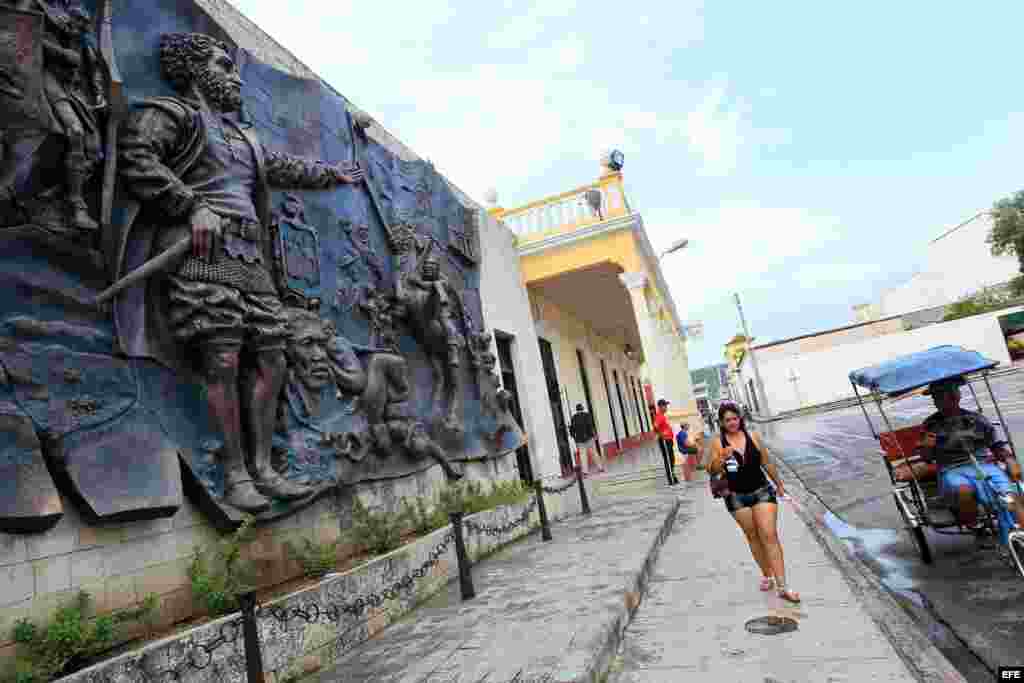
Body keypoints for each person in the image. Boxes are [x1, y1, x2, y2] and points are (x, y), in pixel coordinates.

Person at [115, 33, 364, 512]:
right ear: (194, 70)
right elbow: (137, 157)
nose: (233, 76)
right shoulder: (172, 115)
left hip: (252, 261)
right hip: (202, 252)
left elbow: (284, 167)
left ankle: (265, 468)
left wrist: (333, 175)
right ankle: (234, 475)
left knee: (273, 359)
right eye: (223, 65)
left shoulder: (243, 137)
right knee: (222, 360)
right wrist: (188, 205)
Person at [707, 402, 799, 604]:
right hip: (736, 496)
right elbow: (711, 470)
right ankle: (767, 574)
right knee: (753, 536)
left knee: (769, 535)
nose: (732, 422)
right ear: (721, 423)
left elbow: (766, 461)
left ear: (740, 418)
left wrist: (779, 485)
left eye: (735, 418)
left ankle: (783, 587)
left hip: (762, 491)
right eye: (727, 420)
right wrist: (721, 457)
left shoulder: (754, 436)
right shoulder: (717, 442)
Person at [914, 378, 1023, 537]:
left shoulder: (977, 419)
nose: (937, 401)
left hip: (983, 465)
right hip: (951, 469)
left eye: (941, 396)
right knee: (963, 490)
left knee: (1012, 500)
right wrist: (926, 446)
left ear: (955, 397)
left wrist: (1010, 460)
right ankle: (974, 525)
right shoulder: (930, 424)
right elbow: (926, 458)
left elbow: (996, 446)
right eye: (935, 398)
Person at [570, 403, 605, 474]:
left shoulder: (574, 418)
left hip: (579, 440)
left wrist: (575, 437)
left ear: (576, 410)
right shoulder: (587, 415)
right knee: (594, 453)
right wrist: (594, 435)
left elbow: (572, 429)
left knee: (583, 456)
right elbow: (590, 426)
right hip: (589, 438)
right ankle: (600, 467)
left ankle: (585, 471)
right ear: (582, 408)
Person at [653, 399, 680, 486]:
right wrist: (662, 435)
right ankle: (671, 478)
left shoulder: (662, 416)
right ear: (660, 407)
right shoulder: (659, 416)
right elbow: (655, 426)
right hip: (665, 440)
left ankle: (673, 476)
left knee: (671, 459)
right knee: (669, 460)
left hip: (668, 440)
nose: (666, 407)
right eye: (665, 406)